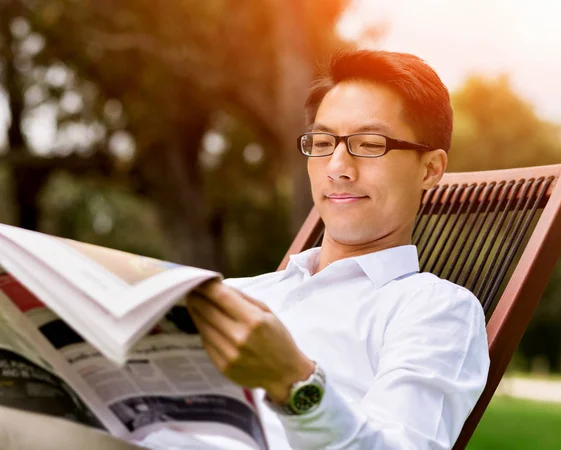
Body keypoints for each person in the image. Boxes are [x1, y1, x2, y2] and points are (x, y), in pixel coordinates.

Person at [188, 49, 490, 450]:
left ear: (430, 169)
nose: (337, 167)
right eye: (323, 141)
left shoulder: (433, 310)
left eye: (369, 143)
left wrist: (295, 383)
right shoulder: (243, 293)